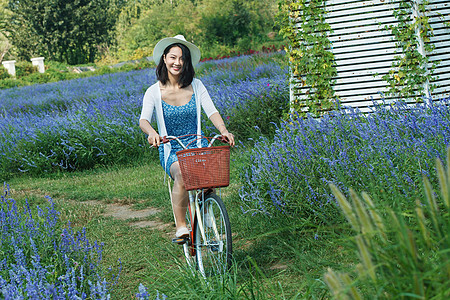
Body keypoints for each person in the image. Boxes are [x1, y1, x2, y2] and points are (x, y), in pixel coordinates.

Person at [139, 35, 235, 239]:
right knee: (182, 175)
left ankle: (207, 205)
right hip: (171, 149)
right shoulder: (153, 92)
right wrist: (153, 133)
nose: (178, 62)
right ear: (164, 58)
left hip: (196, 145)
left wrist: (224, 130)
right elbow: (144, 120)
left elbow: (212, 111)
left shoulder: (197, 85)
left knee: (212, 175)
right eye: (173, 57)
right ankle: (181, 226)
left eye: (182, 58)